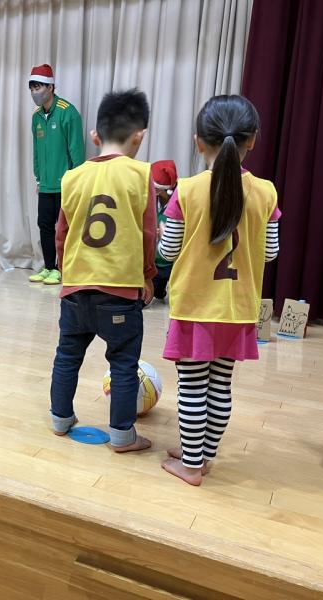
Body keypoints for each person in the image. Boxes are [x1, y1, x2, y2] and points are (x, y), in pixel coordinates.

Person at [158, 95, 280, 485]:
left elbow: (167, 252)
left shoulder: (187, 190)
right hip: (239, 308)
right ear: (253, 140)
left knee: (192, 387)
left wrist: (163, 234)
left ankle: (191, 465)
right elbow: (271, 252)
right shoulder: (266, 192)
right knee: (220, 385)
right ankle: (202, 456)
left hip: (195, 307)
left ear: (199, 142)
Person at [50, 89, 156, 452]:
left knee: (67, 356)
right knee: (124, 363)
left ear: (95, 136)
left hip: (76, 289)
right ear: (139, 136)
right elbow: (148, 233)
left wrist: (65, 272)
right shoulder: (141, 174)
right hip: (119, 292)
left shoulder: (72, 176)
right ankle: (123, 436)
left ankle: (60, 419)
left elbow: (61, 233)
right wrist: (148, 275)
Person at [29, 63, 85, 285]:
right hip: (45, 184)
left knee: (65, 229)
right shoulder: (36, 117)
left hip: (65, 185)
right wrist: (39, 177)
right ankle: (49, 267)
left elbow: (77, 151)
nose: (34, 93)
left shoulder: (67, 112)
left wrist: (76, 181)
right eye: (32, 89)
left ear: (50, 87)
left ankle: (64, 268)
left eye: (38, 88)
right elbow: (36, 150)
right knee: (44, 225)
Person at [150, 160, 178, 301]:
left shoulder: (177, 202)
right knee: (156, 294)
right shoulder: (154, 199)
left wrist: (164, 233)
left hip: (172, 260)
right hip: (156, 259)